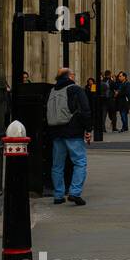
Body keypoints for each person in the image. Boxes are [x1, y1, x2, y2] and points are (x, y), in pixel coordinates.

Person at [46, 66, 92, 205]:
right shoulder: (75, 89)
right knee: (80, 162)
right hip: (73, 131)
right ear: (70, 76)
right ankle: (75, 192)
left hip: (56, 132)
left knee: (57, 165)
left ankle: (58, 195)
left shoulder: (52, 91)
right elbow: (85, 110)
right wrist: (88, 129)